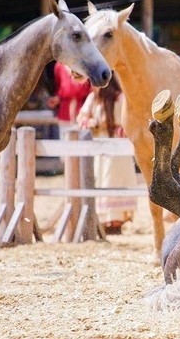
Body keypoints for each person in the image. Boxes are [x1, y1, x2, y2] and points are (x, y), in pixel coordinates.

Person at [77, 72, 137, 235]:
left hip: (118, 147)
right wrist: (91, 122)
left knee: (115, 179)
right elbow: (81, 117)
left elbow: (131, 120)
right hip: (99, 147)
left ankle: (116, 221)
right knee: (101, 179)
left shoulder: (121, 99)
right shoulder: (92, 99)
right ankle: (104, 220)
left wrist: (122, 129)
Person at [46, 61, 91, 139]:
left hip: (82, 115)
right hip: (64, 114)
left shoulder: (83, 64)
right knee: (64, 144)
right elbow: (59, 88)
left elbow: (91, 90)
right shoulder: (59, 66)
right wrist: (57, 99)